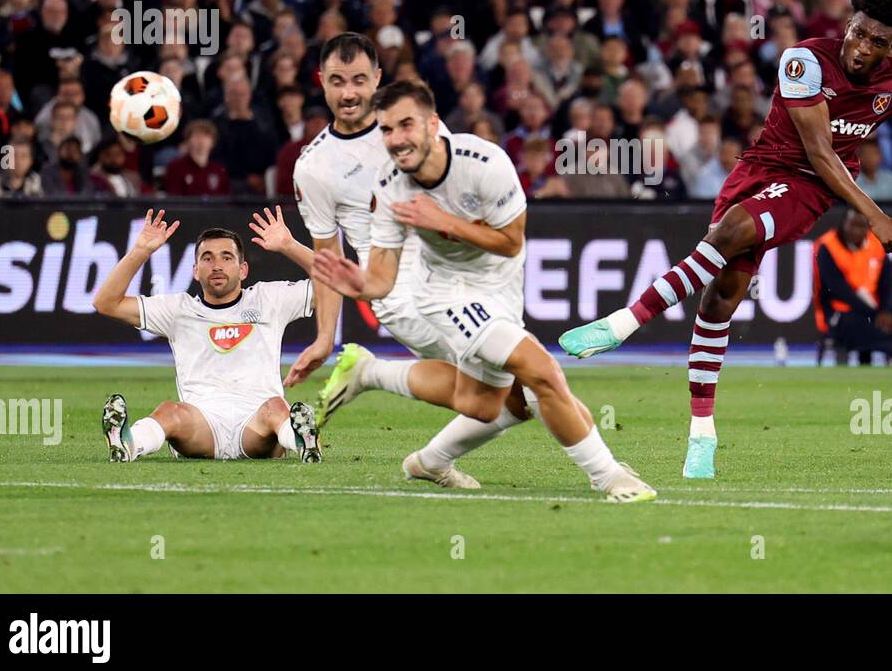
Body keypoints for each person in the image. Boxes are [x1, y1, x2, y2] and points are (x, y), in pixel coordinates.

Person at [559, 0, 892, 479]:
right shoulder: (804, 60)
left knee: (728, 237)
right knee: (719, 300)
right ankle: (703, 434)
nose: (860, 46)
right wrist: (876, 214)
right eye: (856, 32)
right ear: (847, 26)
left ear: (890, 47)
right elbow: (819, 149)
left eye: (876, 41)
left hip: (808, 191)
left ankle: (623, 323)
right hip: (761, 172)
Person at [276, 80, 656, 502]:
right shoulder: (389, 187)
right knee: (541, 372)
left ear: (433, 124)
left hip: (502, 285)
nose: (396, 139)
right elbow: (382, 279)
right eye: (386, 130)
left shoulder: (484, 162)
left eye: (406, 125)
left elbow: (512, 241)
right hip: (444, 294)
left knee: (485, 404)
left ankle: (415, 440)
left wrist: (444, 222)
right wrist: (359, 285)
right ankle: (608, 477)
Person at [91, 212, 322, 463]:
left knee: (276, 408)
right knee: (169, 411)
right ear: (196, 271)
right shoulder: (178, 310)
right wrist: (140, 251)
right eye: (207, 258)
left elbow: (335, 282)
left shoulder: (269, 299)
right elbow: (106, 303)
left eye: (227, 257)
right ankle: (127, 444)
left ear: (243, 269)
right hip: (202, 426)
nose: (217, 265)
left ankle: (303, 442)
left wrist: (289, 246)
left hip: (257, 426)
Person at [813, 209, 892, 362]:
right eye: (852, 225)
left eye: (861, 226)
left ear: (868, 228)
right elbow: (838, 289)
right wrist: (875, 313)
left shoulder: (876, 245)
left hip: (873, 308)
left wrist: (886, 310)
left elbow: (886, 284)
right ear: (843, 224)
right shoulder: (827, 247)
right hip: (841, 311)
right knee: (877, 333)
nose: (856, 231)